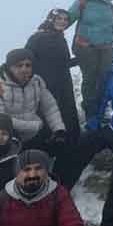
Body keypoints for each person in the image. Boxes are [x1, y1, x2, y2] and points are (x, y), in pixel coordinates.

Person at [0, 49, 67, 150]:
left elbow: (50, 107)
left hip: (34, 134)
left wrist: (59, 130)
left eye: (28, 65)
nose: (24, 69)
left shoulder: (37, 82)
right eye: (19, 65)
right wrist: (34, 126)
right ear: (9, 67)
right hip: (5, 138)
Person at [69, 0, 113, 121]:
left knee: (105, 79)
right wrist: (51, 27)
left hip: (106, 48)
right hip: (86, 47)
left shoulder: (110, 6)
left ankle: (102, 110)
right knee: (90, 79)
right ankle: (90, 111)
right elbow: (68, 17)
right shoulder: (83, 3)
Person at [25, 8, 82, 143]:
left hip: (63, 84)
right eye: (59, 19)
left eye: (65, 20)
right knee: (48, 117)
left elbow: (63, 63)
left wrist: (81, 58)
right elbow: (27, 60)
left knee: (67, 117)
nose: (63, 22)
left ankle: (70, 147)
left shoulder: (60, 38)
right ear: (51, 19)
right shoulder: (37, 37)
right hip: (45, 85)